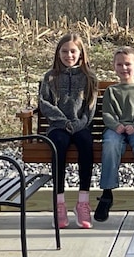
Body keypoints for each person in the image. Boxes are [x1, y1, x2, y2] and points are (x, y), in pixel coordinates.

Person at [38, 32, 98, 229]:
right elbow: (44, 103)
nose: (69, 55)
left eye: (73, 51)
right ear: (58, 53)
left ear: (81, 53)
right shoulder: (50, 77)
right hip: (58, 126)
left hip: (80, 125)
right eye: (65, 51)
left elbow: (90, 106)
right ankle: (59, 202)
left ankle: (83, 202)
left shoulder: (89, 77)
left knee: (86, 144)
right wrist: (63, 122)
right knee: (59, 146)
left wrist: (79, 124)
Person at [95, 46, 134, 220]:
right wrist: (116, 125)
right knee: (110, 145)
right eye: (119, 64)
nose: (124, 68)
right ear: (114, 66)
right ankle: (107, 193)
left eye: (127, 64)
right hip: (115, 130)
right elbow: (107, 113)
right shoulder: (111, 91)